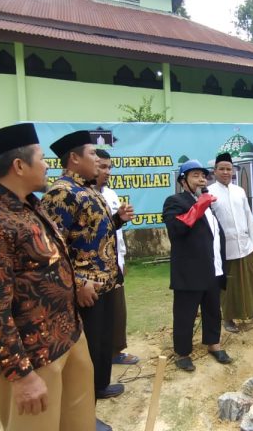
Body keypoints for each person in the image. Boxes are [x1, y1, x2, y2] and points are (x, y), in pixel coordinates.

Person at [0, 123, 104, 431]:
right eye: (42, 157)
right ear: (19, 166)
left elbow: (44, 264)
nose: (49, 164)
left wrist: (76, 283)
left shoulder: (30, 206)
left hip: (67, 334)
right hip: (32, 356)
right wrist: (20, 374)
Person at [41, 131, 134, 400]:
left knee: (103, 340)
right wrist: (79, 283)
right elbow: (53, 248)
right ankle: (85, 401)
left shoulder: (89, 190)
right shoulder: (61, 194)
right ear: (73, 158)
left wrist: (117, 220)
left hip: (105, 282)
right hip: (85, 288)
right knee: (88, 346)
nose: (97, 160)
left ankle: (100, 385)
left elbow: (91, 234)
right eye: (92, 154)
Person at [162, 159, 232, 372]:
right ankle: (182, 352)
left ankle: (214, 344)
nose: (201, 179)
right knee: (185, 313)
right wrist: (198, 206)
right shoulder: (175, 201)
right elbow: (176, 230)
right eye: (195, 175)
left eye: (203, 175)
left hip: (213, 268)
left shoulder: (207, 203)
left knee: (212, 309)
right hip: (190, 270)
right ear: (183, 180)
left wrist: (203, 204)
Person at [208, 152, 253, 333]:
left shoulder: (240, 191)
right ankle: (228, 317)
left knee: (251, 280)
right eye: (222, 169)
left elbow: (248, 216)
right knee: (228, 284)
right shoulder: (209, 193)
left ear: (233, 171)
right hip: (224, 248)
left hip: (245, 245)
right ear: (214, 171)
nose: (226, 172)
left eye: (229, 169)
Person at [94, 149, 139, 366]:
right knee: (98, 315)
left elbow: (113, 229)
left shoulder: (110, 194)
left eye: (109, 167)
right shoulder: (83, 196)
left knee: (117, 311)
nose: (107, 171)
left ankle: (115, 351)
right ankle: (100, 356)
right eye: (102, 166)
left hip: (115, 262)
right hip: (93, 270)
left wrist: (122, 258)